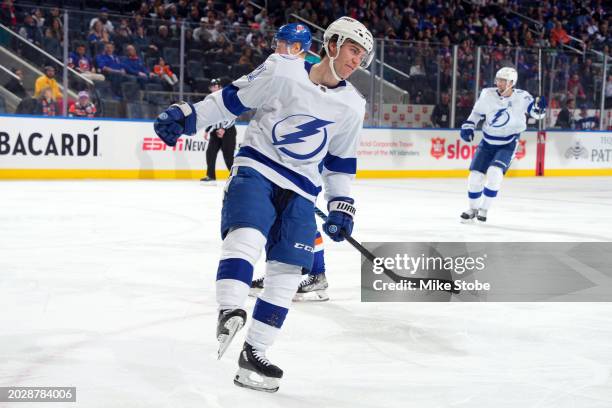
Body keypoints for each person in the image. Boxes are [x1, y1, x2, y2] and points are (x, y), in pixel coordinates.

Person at [153, 16, 373, 392]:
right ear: (333, 43)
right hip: (257, 167)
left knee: (287, 272)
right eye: (353, 49)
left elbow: (340, 163)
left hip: (303, 189)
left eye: (363, 56)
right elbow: (231, 100)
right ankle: (231, 309)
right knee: (247, 235)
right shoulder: (282, 69)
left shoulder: (353, 105)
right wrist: (188, 116)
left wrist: (341, 204)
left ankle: (254, 352)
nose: (357, 61)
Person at [249, 23, 329, 302]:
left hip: (300, 155)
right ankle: (283, 274)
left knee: (299, 217)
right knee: (281, 215)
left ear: (297, 47)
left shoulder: (310, 70)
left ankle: (317, 275)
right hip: (287, 153)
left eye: (282, 43)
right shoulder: (301, 65)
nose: (276, 48)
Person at [459, 67, 546, 222]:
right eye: (498, 79)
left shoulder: (523, 97)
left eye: (503, 80)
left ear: (512, 83)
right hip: (487, 142)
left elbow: (536, 114)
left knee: (495, 173)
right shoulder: (487, 94)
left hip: (508, 142)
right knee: (474, 176)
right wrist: (469, 125)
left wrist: (540, 108)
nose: (498, 83)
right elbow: (477, 112)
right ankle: (472, 209)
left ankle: (484, 209)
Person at [200, 79, 237, 184]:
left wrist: (224, 128)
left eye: (215, 85)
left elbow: (233, 114)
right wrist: (207, 130)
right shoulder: (209, 100)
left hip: (228, 130)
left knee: (228, 156)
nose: (213, 88)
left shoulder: (226, 97)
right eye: (211, 86)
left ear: (220, 87)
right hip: (215, 130)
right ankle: (210, 176)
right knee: (210, 153)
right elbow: (210, 116)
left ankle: (235, 177)